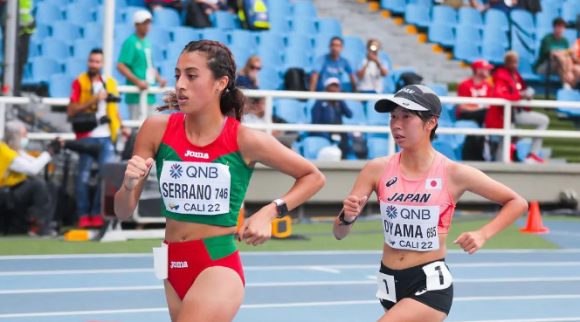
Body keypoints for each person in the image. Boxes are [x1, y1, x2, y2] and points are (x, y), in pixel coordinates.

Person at [113, 40, 325, 322]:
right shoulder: (156, 129)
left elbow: (313, 176)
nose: (180, 85)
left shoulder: (244, 139)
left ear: (220, 83)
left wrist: (269, 212)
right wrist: (128, 187)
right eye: (177, 75)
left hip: (216, 264)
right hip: (171, 261)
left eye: (191, 75)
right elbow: (122, 211)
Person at [333, 85, 528, 322]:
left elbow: (516, 202)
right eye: (393, 116)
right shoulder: (377, 168)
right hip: (389, 282)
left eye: (407, 117)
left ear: (431, 123)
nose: (396, 124)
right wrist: (347, 217)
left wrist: (483, 234)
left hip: (429, 282)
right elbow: (339, 233)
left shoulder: (454, 173)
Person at [68, 48, 130, 228]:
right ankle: (83, 214)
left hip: (106, 136)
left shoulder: (109, 83)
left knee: (106, 177)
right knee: (83, 177)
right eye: (91, 61)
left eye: (97, 62)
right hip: (86, 135)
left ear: (102, 64)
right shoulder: (80, 82)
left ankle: (97, 213)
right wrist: (95, 99)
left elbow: (114, 110)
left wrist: (122, 127)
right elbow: (72, 110)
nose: (94, 65)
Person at [0, 121, 61, 236]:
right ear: (15, 135)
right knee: (37, 184)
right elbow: (32, 169)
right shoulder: (4, 151)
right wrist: (49, 152)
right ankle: (38, 226)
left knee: (52, 185)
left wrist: (50, 151)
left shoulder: (16, 151)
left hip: (13, 192)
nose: (26, 137)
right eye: (24, 134)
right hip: (4, 193)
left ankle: (46, 223)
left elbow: (35, 163)